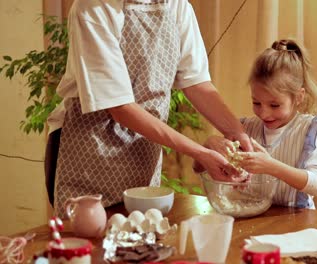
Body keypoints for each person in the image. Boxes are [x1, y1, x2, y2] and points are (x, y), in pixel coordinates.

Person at [45, 0, 252, 217]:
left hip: (144, 148)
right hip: (88, 150)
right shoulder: (93, 7)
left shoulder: (177, 6)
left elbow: (196, 82)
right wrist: (200, 153)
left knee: (140, 234)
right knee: (91, 239)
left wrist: (237, 133)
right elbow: (119, 107)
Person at [198, 39, 317, 209]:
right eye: (256, 103)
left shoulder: (310, 129)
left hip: (295, 219)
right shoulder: (244, 129)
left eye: (274, 105)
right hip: (251, 215)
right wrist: (209, 145)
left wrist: (271, 166)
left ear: (299, 97)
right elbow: (199, 168)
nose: (264, 113)